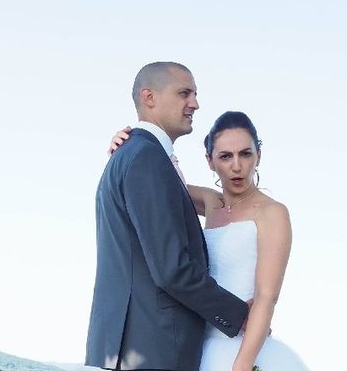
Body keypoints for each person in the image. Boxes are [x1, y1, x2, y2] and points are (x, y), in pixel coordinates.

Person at [108, 111, 309, 370]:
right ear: (210, 161)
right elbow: (155, 177)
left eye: (245, 154)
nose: (236, 166)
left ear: (258, 155)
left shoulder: (273, 213)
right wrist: (124, 147)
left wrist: (242, 365)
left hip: (243, 348)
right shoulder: (210, 202)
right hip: (199, 347)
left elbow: (266, 297)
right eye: (225, 156)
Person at [85, 62, 250, 371]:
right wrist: (240, 315)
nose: (195, 104)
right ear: (150, 97)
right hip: (154, 347)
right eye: (184, 93)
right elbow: (171, 270)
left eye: (195, 94)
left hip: (125, 347)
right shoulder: (146, 158)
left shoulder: (133, 155)